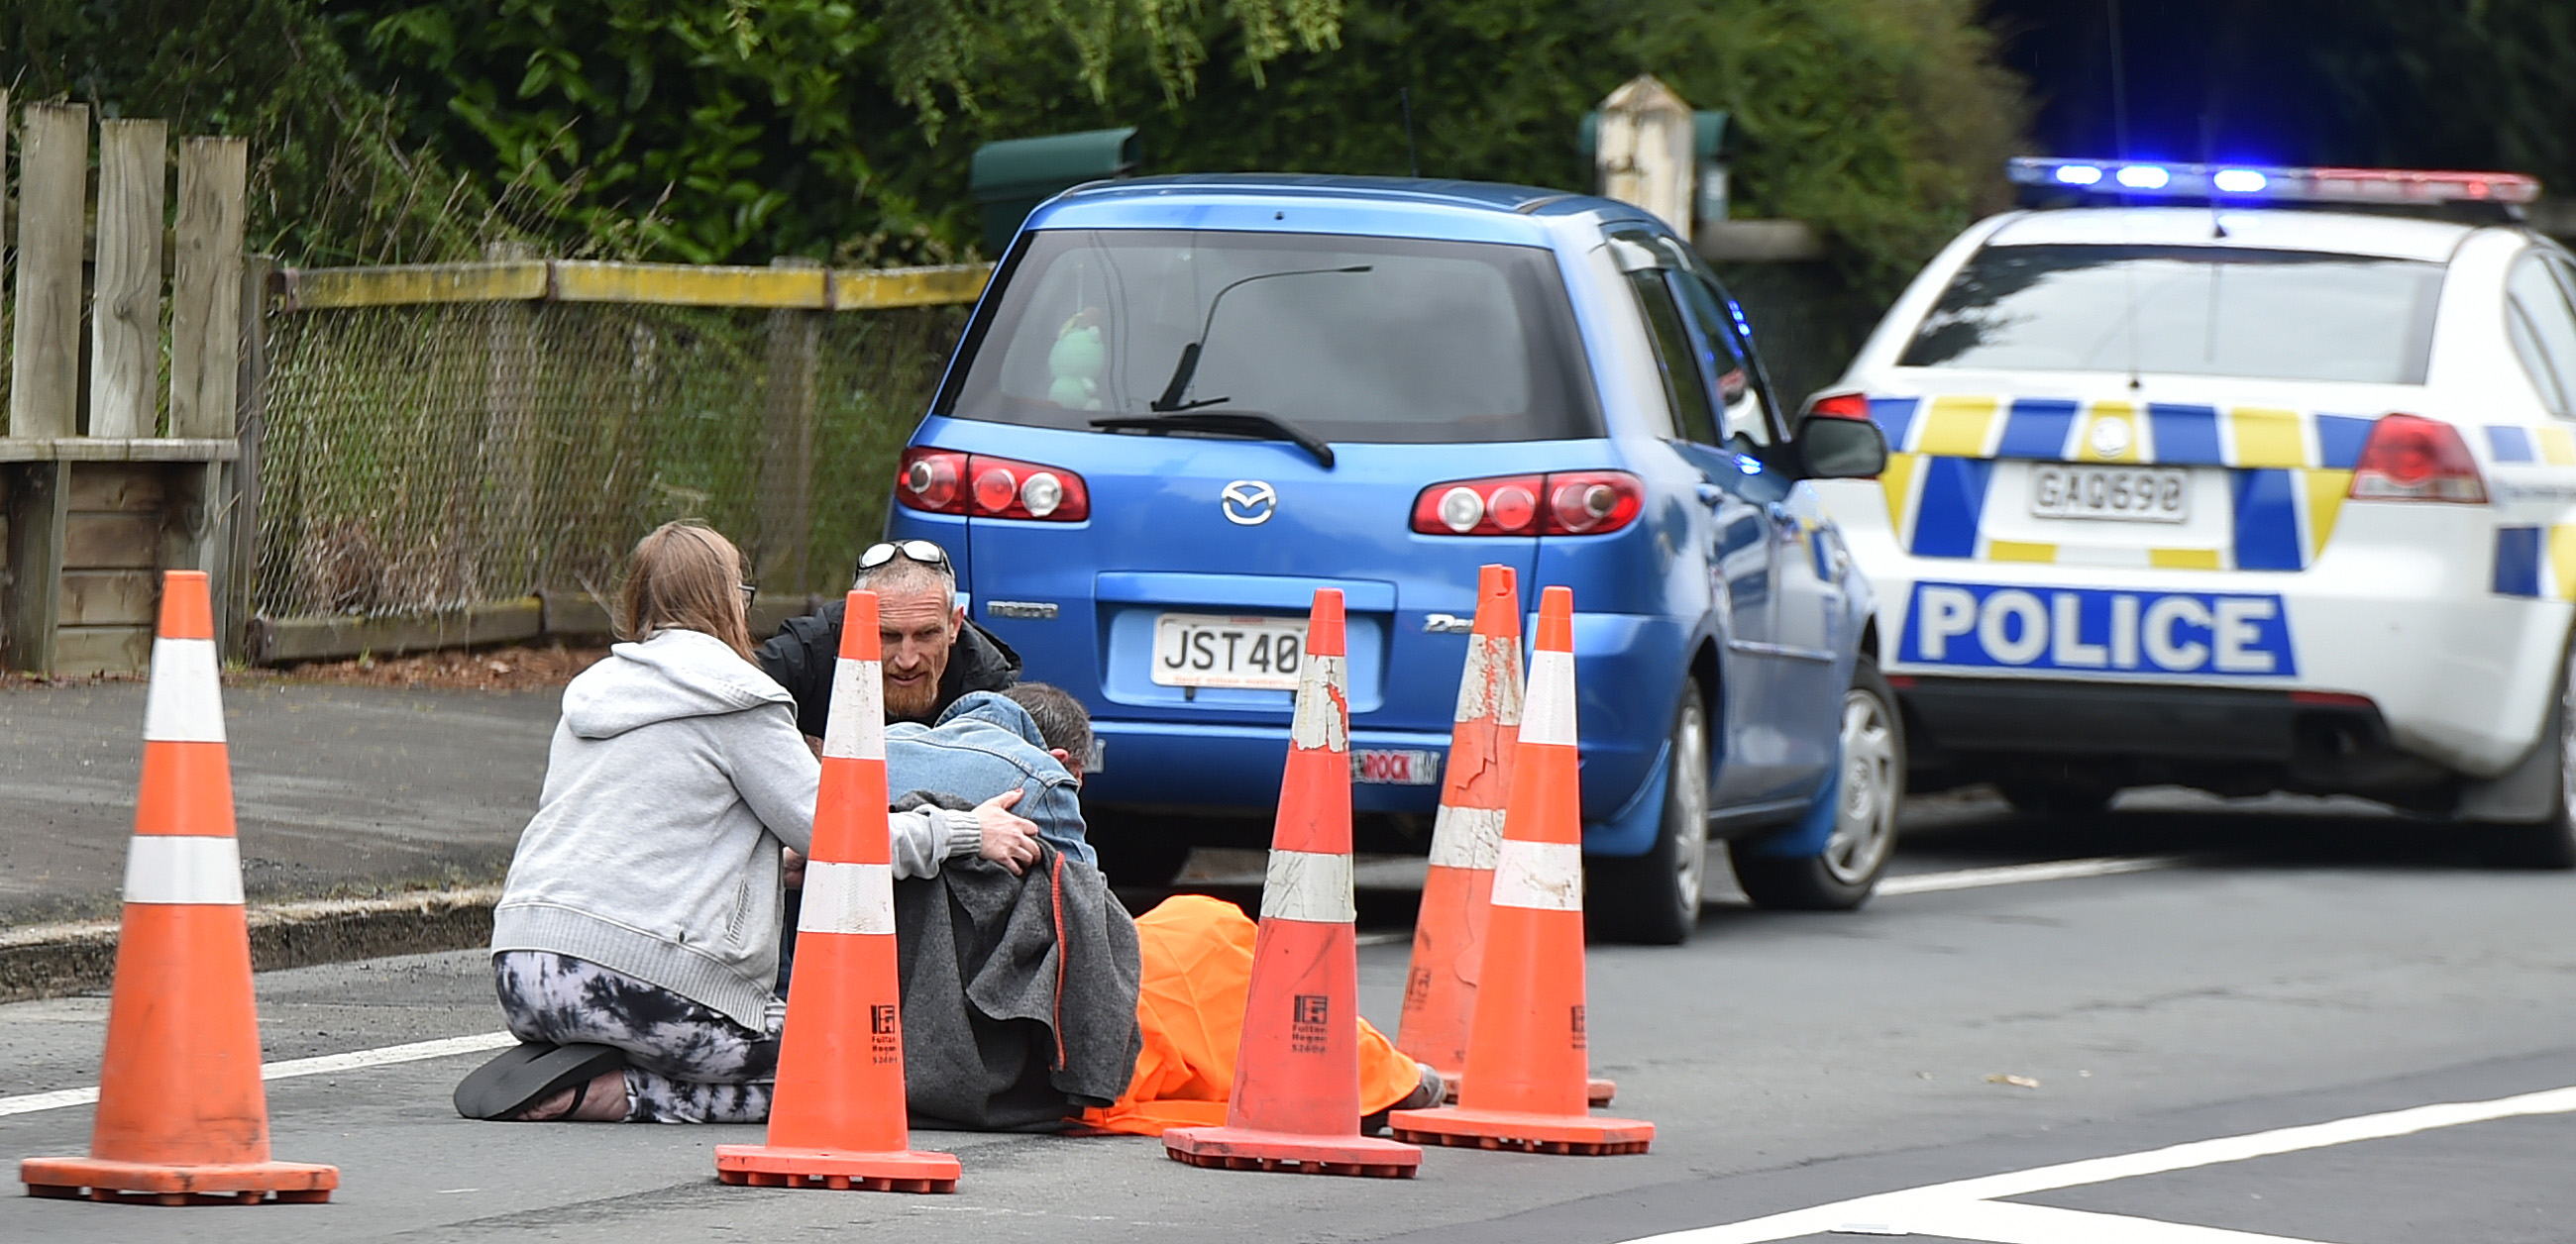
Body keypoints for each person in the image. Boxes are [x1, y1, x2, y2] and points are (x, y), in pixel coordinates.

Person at [455, 521, 1045, 1124]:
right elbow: (846, 838)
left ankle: (616, 1049)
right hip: (637, 987)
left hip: (521, 970)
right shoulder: (739, 700)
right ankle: (624, 1093)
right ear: (730, 602)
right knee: (856, 1061)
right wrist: (967, 831)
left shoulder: (592, 693)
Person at [756, 539, 1020, 739]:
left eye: (926, 634)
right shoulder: (806, 655)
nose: (907, 659)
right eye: (887, 635)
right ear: (854, 621)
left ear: (954, 625)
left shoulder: (991, 688)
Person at [889, 683, 1095, 865]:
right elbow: (1083, 899)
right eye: (1076, 777)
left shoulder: (879, 743)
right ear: (1059, 760)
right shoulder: (1042, 774)